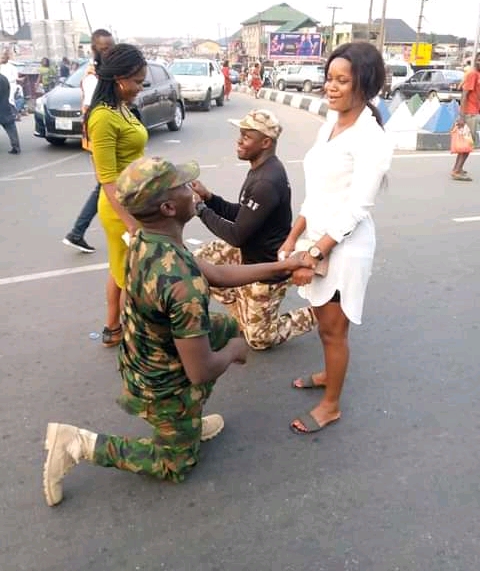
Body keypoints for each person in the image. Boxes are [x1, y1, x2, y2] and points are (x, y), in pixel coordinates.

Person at [42, 155, 315, 507]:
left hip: (144, 354)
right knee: (175, 463)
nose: (193, 191)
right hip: (159, 384)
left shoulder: (148, 238)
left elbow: (215, 273)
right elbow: (199, 370)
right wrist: (234, 352)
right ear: (170, 207)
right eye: (185, 187)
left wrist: (284, 266)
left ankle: (186, 422)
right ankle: (79, 444)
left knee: (227, 325)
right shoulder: (180, 283)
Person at [278, 42, 393, 434]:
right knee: (319, 316)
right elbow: (317, 193)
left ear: (365, 84)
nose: (331, 87)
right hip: (315, 238)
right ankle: (330, 374)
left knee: (333, 329)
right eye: (329, 78)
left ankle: (331, 405)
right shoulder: (330, 124)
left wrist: (314, 254)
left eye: (342, 81)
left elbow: (357, 208)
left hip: (344, 248)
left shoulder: (372, 138)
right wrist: (294, 237)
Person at [192, 109, 316, 350]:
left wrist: (200, 210)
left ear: (266, 142)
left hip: (267, 268)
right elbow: (244, 214)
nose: (239, 141)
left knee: (259, 340)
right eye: (240, 135)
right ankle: (243, 307)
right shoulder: (261, 168)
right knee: (196, 265)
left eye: (247, 137)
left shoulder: (266, 181)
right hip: (247, 254)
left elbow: (237, 235)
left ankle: (319, 312)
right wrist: (208, 198)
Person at [88, 43, 148, 347]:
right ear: (120, 79)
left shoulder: (121, 108)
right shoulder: (102, 118)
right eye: (137, 81)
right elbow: (107, 179)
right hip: (119, 209)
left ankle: (112, 329)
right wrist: (130, 223)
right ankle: (132, 341)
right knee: (132, 277)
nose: (140, 87)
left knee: (119, 269)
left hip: (134, 202)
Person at [62, 29, 115, 253]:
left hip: (103, 135)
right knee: (107, 183)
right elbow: (99, 111)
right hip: (99, 137)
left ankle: (77, 232)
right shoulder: (94, 77)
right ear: (95, 50)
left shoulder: (105, 72)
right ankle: (77, 232)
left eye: (112, 48)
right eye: (105, 49)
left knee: (105, 184)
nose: (109, 52)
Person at [451, 53, 480, 181]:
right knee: (468, 143)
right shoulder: (472, 74)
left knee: (465, 143)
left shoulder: (477, 75)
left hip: (474, 112)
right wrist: (461, 116)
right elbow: (464, 95)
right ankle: (457, 170)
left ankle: (457, 168)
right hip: (469, 113)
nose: (479, 62)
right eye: (478, 59)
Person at [0, 73, 21, 154]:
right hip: (5, 106)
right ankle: (16, 147)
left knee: (10, 127)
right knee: (11, 128)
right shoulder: (4, 78)